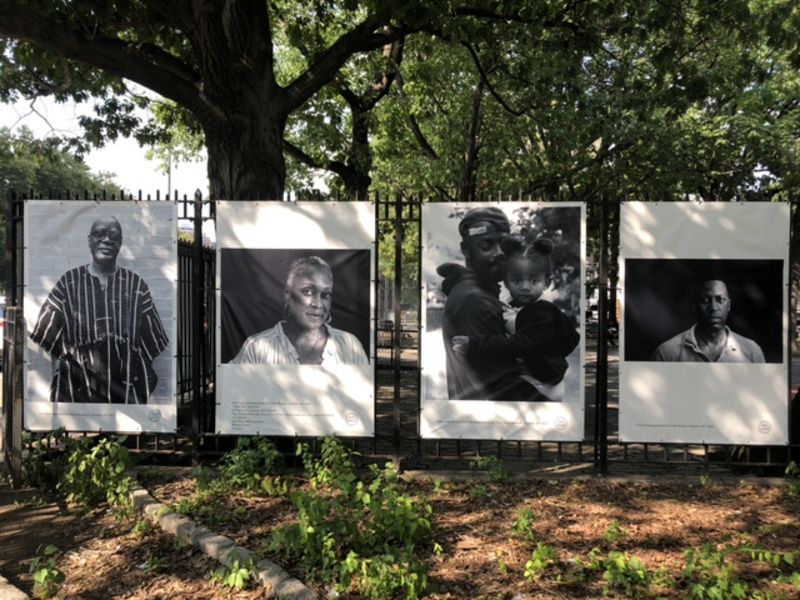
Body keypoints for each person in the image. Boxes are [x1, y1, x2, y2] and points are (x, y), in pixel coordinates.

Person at [30, 216, 169, 403]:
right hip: (76, 392)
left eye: (113, 235)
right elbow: (47, 338)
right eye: (99, 234)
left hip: (126, 394)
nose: (106, 240)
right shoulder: (68, 282)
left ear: (120, 242)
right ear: (89, 240)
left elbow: (151, 344)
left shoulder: (136, 285)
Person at [450, 236, 580, 401]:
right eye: (517, 280)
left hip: (542, 384)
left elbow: (519, 344)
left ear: (546, 283)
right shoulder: (515, 307)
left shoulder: (543, 313)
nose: (525, 287)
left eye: (534, 280)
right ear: (507, 282)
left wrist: (475, 344)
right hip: (535, 377)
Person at [437, 207, 537, 400]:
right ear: (466, 249)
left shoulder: (481, 293)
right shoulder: (474, 300)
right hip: (486, 421)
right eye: (486, 245)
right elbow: (503, 388)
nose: (500, 253)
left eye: (504, 246)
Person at [232, 255, 368, 365]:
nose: (318, 304)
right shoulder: (257, 348)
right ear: (287, 294)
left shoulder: (350, 346)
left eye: (325, 295)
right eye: (308, 291)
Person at [651, 279, 764, 363]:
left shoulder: (752, 352)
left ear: (728, 305)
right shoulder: (666, 353)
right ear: (695, 306)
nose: (713, 307)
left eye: (720, 300)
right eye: (705, 300)